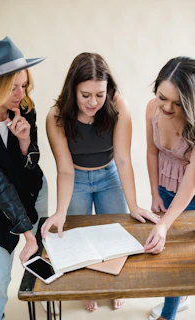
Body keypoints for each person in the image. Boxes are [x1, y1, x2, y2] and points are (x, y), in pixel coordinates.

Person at [41, 52, 160, 312]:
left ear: (108, 89)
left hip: (109, 174)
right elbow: (64, 170)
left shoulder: (118, 105)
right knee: (76, 237)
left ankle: (113, 285)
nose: (93, 102)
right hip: (76, 177)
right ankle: (87, 288)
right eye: (86, 95)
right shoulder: (56, 116)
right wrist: (60, 212)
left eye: (100, 94)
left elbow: (123, 159)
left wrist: (134, 205)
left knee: (115, 235)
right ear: (73, 90)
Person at [0, 37, 48, 320]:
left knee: (43, 260)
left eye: (25, 85)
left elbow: (33, 168)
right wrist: (27, 233)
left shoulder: (26, 109)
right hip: (2, 203)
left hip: (35, 192)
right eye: (14, 87)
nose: (21, 93)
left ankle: (47, 301)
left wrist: (24, 144)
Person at [144, 56, 195, 320]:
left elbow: (189, 186)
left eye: (177, 104)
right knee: (164, 250)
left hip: (192, 193)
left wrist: (164, 224)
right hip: (165, 186)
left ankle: (168, 315)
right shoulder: (152, 108)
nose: (166, 107)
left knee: (179, 255)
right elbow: (152, 153)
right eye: (162, 97)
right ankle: (180, 298)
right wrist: (155, 193)